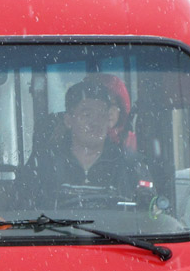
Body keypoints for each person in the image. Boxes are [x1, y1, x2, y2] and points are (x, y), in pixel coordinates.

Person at [23, 75, 139, 208]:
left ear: (109, 120)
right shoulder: (42, 164)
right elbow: (20, 212)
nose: (95, 122)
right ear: (68, 120)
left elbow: (150, 215)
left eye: (101, 115)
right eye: (87, 115)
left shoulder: (128, 166)